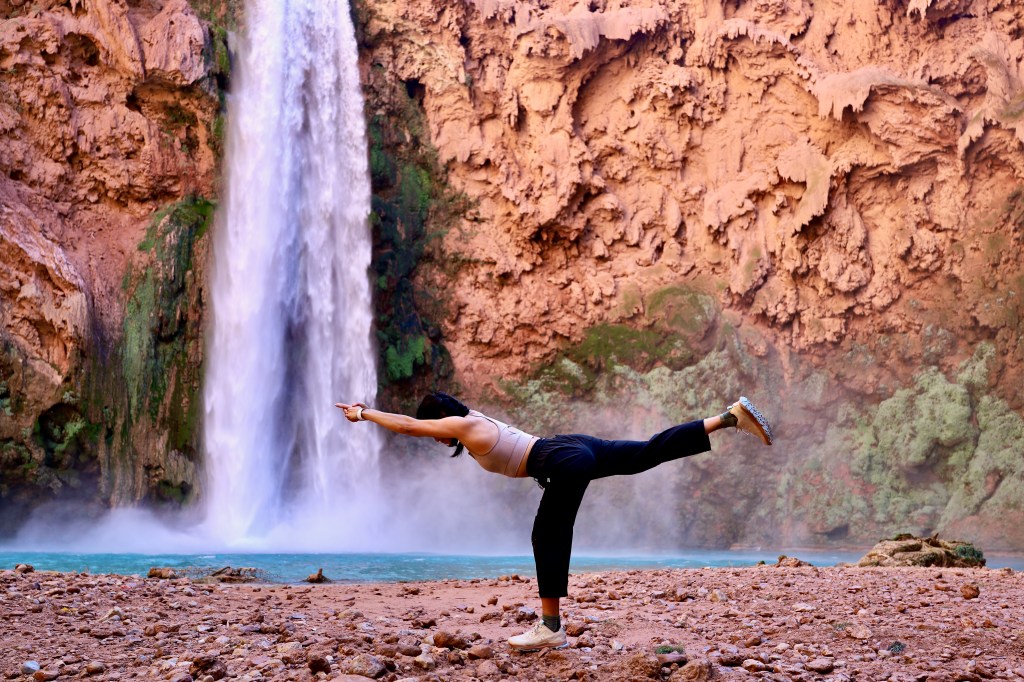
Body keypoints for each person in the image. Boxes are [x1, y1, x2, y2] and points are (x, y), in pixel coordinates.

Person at [335, 392, 773, 651]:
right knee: (645, 453)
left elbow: (412, 427)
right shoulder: (475, 420)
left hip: (558, 458)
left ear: (442, 420)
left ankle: (550, 628)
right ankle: (730, 417)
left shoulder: (464, 427)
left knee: (546, 535)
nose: (439, 439)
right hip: (568, 447)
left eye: (438, 431)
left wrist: (364, 414)